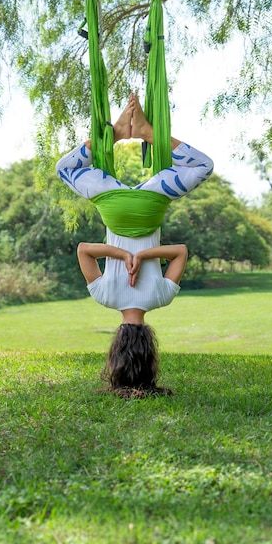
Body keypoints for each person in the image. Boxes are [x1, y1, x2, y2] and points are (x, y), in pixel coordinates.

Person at [56, 94, 214, 397]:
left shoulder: (161, 297)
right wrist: (123, 254)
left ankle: (149, 135)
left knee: (203, 166)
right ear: (117, 341)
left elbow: (179, 251)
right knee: (65, 169)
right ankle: (114, 134)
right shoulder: (103, 296)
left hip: (150, 204)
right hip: (113, 205)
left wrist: (142, 255)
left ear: (149, 343)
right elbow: (84, 249)